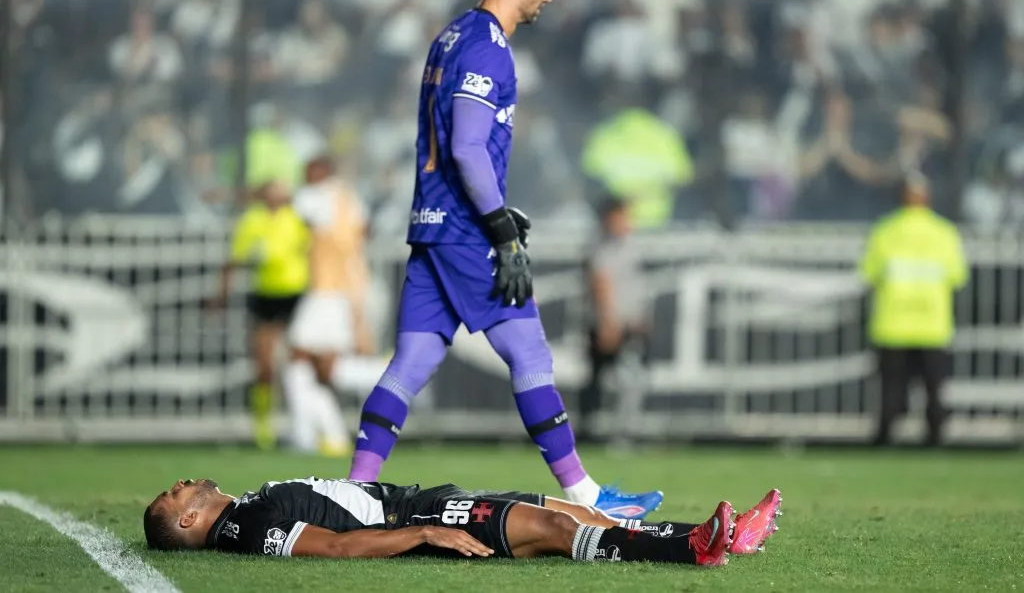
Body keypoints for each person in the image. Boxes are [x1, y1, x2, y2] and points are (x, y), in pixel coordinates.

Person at [348, 0, 663, 518]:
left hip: (433, 225)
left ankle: (355, 492)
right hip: (467, 232)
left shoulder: (452, 34)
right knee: (530, 352)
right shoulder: (489, 48)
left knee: (411, 363)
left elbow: (455, 146)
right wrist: (499, 226)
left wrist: (493, 205)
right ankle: (589, 498)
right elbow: (467, 147)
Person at [143, 476, 782, 566]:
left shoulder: (246, 511)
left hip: (419, 499)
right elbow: (336, 546)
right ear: (189, 520)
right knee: (554, 532)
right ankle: (693, 550)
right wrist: (422, 531)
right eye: (170, 499)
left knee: (571, 511)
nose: (177, 486)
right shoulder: (245, 529)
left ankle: (725, 533)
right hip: (415, 513)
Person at [860, 173, 968, 446]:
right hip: (932, 324)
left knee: (891, 389)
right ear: (927, 198)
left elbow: (869, 273)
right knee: (934, 390)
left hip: (893, 323)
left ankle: (884, 439)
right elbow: (957, 276)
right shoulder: (945, 233)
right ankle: (935, 439)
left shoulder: (885, 231)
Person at [208, 180, 309, 450]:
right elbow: (234, 259)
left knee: (301, 361)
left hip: (298, 295)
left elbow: (314, 252)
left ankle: (305, 425)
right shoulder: (253, 220)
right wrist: (222, 296)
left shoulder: (297, 218)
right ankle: (263, 424)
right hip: (267, 296)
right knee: (264, 363)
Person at [284, 156, 374, 457]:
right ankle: (319, 436)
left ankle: (389, 375)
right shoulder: (350, 198)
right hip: (346, 288)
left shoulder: (318, 196)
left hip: (327, 291)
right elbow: (364, 232)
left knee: (308, 360)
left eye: (309, 171)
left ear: (321, 172)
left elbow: (289, 201)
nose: (305, 177)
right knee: (309, 365)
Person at [580, 196, 650, 443]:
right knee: (603, 381)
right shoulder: (602, 247)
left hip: (628, 324)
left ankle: (621, 431)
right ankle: (599, 433)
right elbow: (601, 284)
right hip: (610, 324)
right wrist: (607, 322)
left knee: (628, 379)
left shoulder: (630, 244)